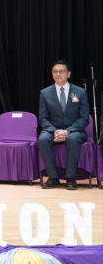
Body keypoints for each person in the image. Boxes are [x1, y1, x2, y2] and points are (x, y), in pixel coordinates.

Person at [38, 60, 90, 190]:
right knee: (42, 139)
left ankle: (71, 178)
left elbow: (84, 118)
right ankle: (53, 178)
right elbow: (43, 118)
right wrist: (54, 131)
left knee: (73, 139)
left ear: (69, 74)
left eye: (61, 71)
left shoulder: (80, 92)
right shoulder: (45, 93)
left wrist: (68, 131)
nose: (58, 74)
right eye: (55, 71)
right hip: (52, 130)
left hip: (75, 130)